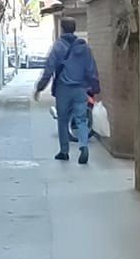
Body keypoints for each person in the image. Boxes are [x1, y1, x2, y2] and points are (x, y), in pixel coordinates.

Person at [34, 15, 100, 164]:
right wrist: (95, 87)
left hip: (63, 90)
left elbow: (49, 69)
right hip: (80, 89)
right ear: (74, 29)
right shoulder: (84, 48)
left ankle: (64, 152)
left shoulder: (58, 47)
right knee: (81, 119)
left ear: (62, 29)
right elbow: (91, 69)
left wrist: (40, 88)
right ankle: (83, 146)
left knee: (63, 120)